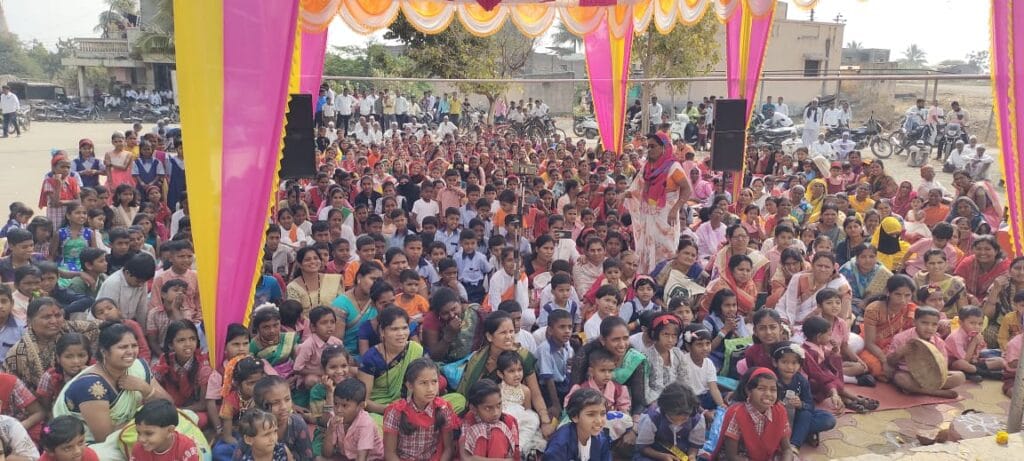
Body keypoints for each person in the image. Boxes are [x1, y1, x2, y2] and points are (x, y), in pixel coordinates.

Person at [51, 321, 175, 460]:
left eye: (134, 346)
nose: (130, 351)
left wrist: (145, 389)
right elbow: (104, 436)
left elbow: (169, 405)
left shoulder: (137, 367)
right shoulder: (91, 386)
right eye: (122, 347)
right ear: (104, 352)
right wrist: (146, 424)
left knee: (178, 424)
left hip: (138, 431)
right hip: (97, 445)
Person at [623, 133, 692, 274]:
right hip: (648, 216)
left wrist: (675, 209)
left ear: (664, 147)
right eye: (648, 147)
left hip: (666, 218)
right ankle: (647, 279)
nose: (649, 150)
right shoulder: (647, 167)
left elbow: (687, 189)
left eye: (653, 146)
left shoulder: (673, 167)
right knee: (647, 250)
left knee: (666, 251)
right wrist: (623, 194)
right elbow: (637, 188)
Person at [381, 357, 459, 461]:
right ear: (410, 386)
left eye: (434, 381)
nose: (430, 389)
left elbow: (448, 448)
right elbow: (390, 453)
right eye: (423, 383)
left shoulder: (443, 409)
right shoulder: (395, 412)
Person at [710, 368, 793, 461]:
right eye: (761, 389)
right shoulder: (738, 414)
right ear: (749, 391)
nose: (768, 394)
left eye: (773, 390)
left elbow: (787, 449)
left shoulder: (779, 412)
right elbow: (732, 456)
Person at [886, 307, 967, 398]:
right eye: (924, 323)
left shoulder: (939, 342)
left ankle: (917, 389)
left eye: (934, 325)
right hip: (909, 375)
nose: (929, 328)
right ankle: (934, 392)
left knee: (960, 377)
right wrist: (900, 352)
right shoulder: (901, 338)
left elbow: (943, 366)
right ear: (914, 322)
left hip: (931, 376)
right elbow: (890, 362)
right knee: (900, 378)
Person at [771, 342, 836, 449]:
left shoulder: (801, 381)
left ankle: (794, 445)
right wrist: (776, 404)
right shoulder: (771, 379)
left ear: (800, 365)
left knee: (827, 419)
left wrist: (801, 404)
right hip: (777, 419)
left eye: (794, 363)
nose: (789, 367)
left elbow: (810, 405)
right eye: (784, 362)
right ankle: (800, 435)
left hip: (797, 418)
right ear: (775, 362)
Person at [320, 378, 384, 461]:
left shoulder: (365, 424)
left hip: (372, 459)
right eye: (336, 404)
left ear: (360, 406)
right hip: (347, 457)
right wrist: (330, 430)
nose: (338, 410)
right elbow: (326, 454)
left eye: (344, 405)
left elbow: (362, 458)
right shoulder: (334, 418)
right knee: (319, 459)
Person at [542, 388, 611, 461]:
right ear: (575, 416)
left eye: (603, 414)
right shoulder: (559, 444)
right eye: (591, 415)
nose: (599, 421)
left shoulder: (602, 438)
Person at [459, 379, 520, 460]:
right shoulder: (470, 419)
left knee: (497, 431)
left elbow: (515, 458)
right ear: (473, 408)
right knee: (480, 430)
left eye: (499, 405)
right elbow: (465, 457)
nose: (496, 413)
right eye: (488, 408)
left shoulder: (509, 421)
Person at [129, 399, 200, 461]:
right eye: (139, 433)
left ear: (170, 431)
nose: (141, 439)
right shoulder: (138, 449)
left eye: (149, 433)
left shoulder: (186, 448)